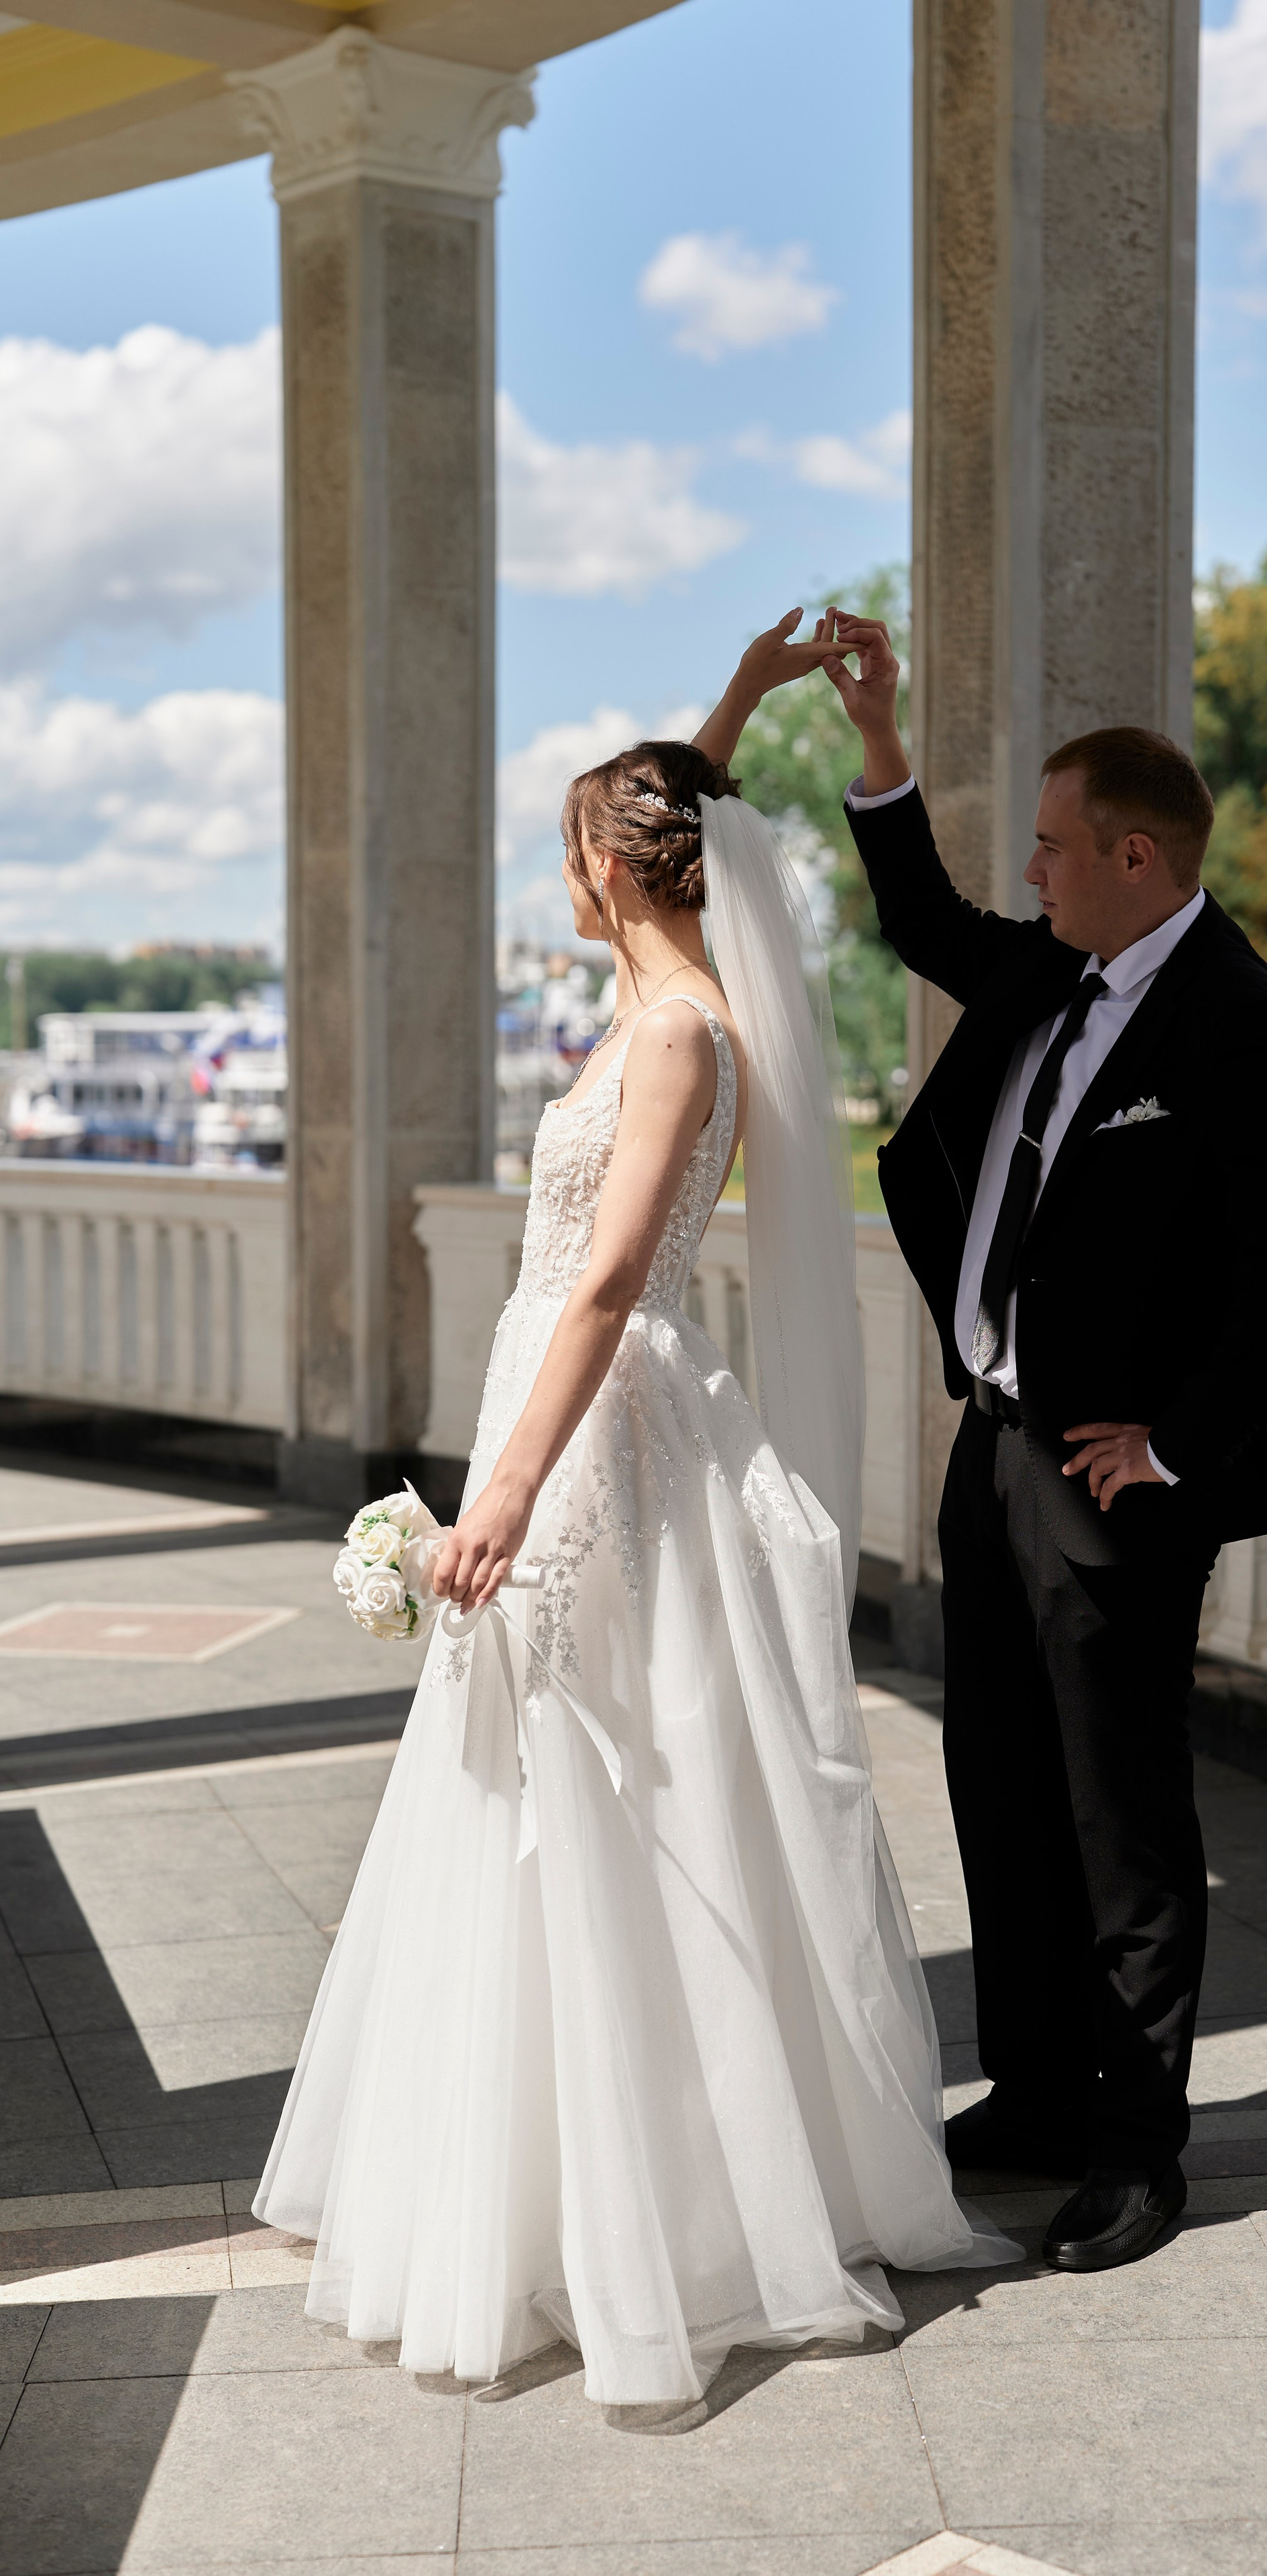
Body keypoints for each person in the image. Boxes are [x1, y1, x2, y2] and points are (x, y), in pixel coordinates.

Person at [254, 615, 1013, 2407]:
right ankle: (517, 2184)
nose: (568, 882)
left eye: (576, 855)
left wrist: (494, 1494)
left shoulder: (681, 1034)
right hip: (570, 1407)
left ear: (608, 867)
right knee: (529, 1778)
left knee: (628, 1776)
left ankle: (671, 2208)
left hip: (609, 1429)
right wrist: (741, 705)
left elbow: (603, 1287)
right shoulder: (642, 992)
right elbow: (684, 817)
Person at [826, 607, 1267, 2273]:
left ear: (1137, 854)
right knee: (995, 1783)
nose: (1033, 872)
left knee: (1120, 1823)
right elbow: (916, 913)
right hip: (990, 1452)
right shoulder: (1055, 966)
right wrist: (876, 733)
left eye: (1055, 849)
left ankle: (1136, 2154)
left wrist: (1181, 1442)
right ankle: (1041, 2093)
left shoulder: (1229, 1016)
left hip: (1108, 1482)